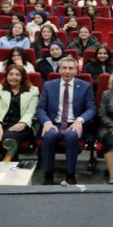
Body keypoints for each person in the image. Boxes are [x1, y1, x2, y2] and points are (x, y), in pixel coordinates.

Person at [36, 57, 96, 185]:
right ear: (59, 69)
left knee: (71, 136)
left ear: (76, 70)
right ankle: (48, 175)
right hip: (54, 123)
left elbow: (91, 108)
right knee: (49, 136)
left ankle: (70, 175)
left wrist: (80, 120)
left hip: (74, 123)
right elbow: (40, 108)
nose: (67, 71)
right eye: (64, 68)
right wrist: (47, 122)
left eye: (70, 68)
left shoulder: (85, 86)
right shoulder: (49, 85)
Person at [0, 64, 39, 161]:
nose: (13, 77)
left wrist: (22, 123)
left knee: (9, 140)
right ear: (6, 76)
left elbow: (30, 112)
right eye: (10, 74)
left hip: (20, 124)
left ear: (23, 77)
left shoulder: (33, 90)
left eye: (17, 75)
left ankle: (9, 166)